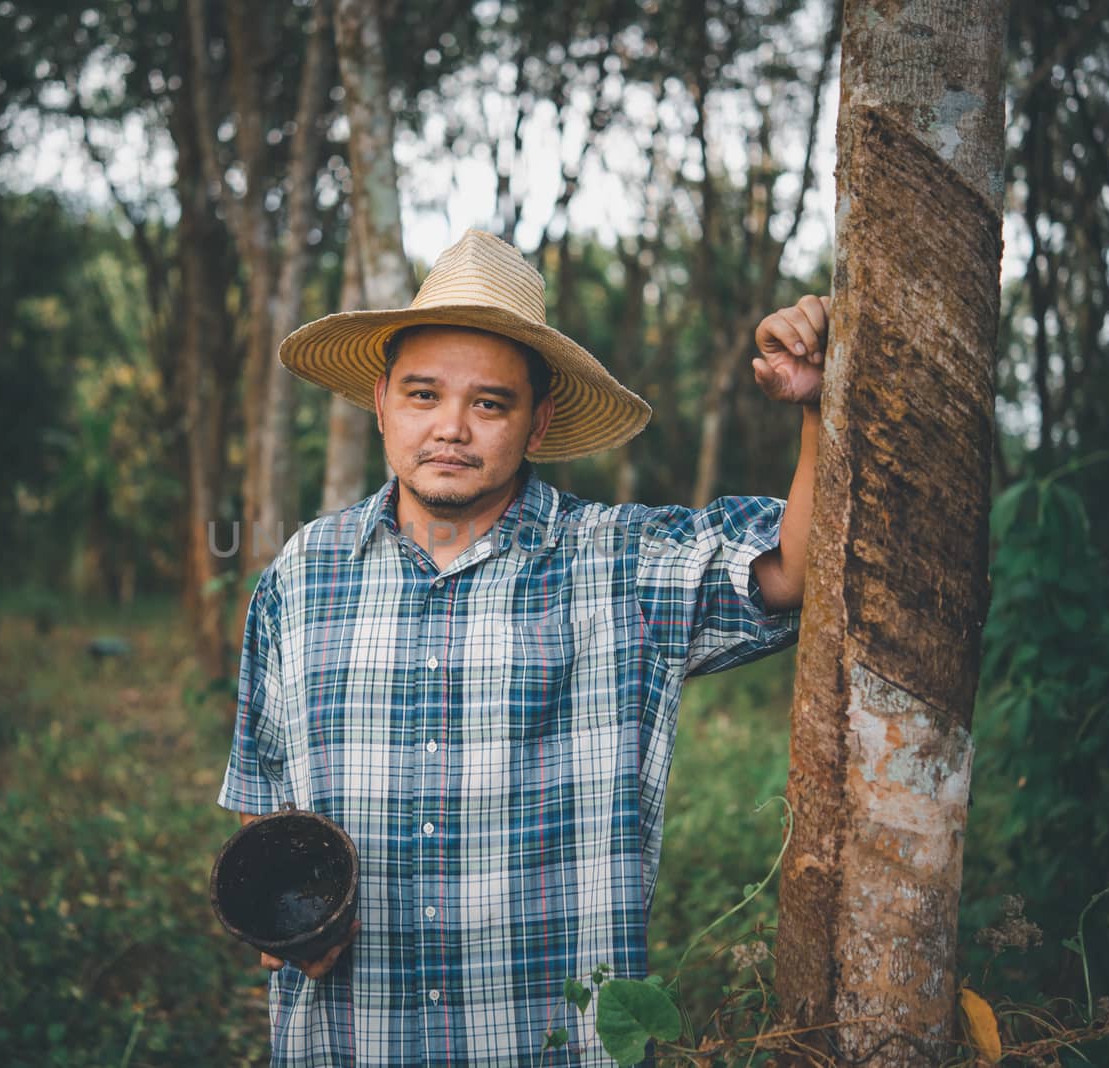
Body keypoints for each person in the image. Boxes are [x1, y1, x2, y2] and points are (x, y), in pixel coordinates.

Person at [217, 228, 827, 1066]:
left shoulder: (621, 563)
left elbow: (796, 572)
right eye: (424, 395)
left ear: (537, 422)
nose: (452, 429)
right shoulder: (302, 574)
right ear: (382, 400)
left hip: (545, 1044)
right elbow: (264, 797)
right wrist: (285, 925)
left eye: (490, 403)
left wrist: (818, 408)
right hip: (351, 1040)